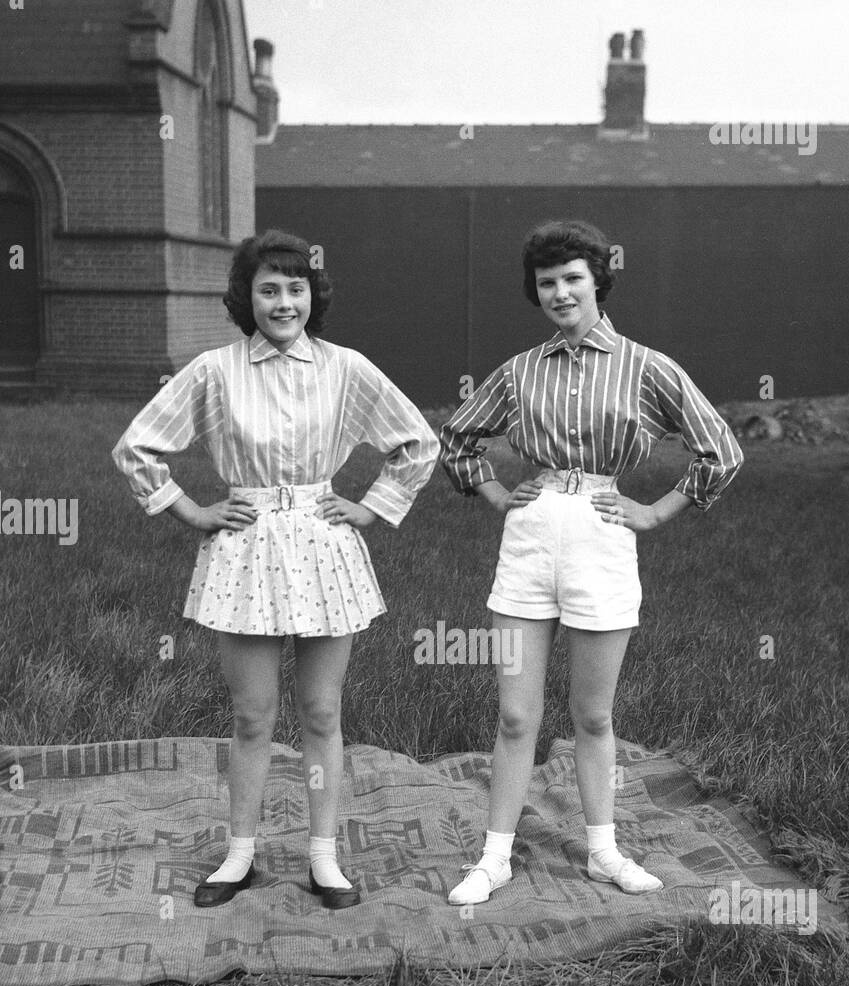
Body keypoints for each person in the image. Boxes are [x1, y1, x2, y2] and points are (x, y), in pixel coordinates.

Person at [113, 229, 437, 909]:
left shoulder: (346, 368)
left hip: (324, 546)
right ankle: (240, 855)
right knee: (253, 715)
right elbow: (137, 447)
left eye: (295, 288)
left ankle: (324, 858)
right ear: (246, 297)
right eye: (268, 289)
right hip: (247, 549)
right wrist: (191, 512)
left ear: (311, 295)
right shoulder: (215, 370)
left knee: (321, 713)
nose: (283, 302)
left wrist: (373, 507)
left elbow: (416, 442)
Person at [439, 219, 743, 906]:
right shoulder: (520, 371)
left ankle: (604, 853)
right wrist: (493, 492)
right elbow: (458, 438)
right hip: (530, 538)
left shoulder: (646, 366)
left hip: (603, 536)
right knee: (517, 716)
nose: (559, 292)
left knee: (593, 716)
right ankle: (494, 860)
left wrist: (656, 510)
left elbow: (720, 448)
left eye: (572, 277)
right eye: (547, 282)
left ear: (598, 280)